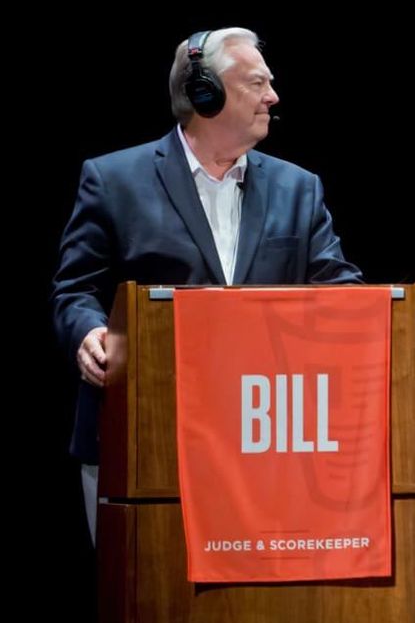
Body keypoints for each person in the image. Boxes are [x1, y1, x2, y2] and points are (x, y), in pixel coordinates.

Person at [52, 27, 362, 540]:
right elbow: (74, 290)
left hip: (266, 443)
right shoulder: (113, 180)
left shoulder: (299, 188)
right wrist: (87, 333)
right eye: (257, 83)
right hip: (143, 437)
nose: (273, 97)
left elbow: (340, 289)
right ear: (205, 93)